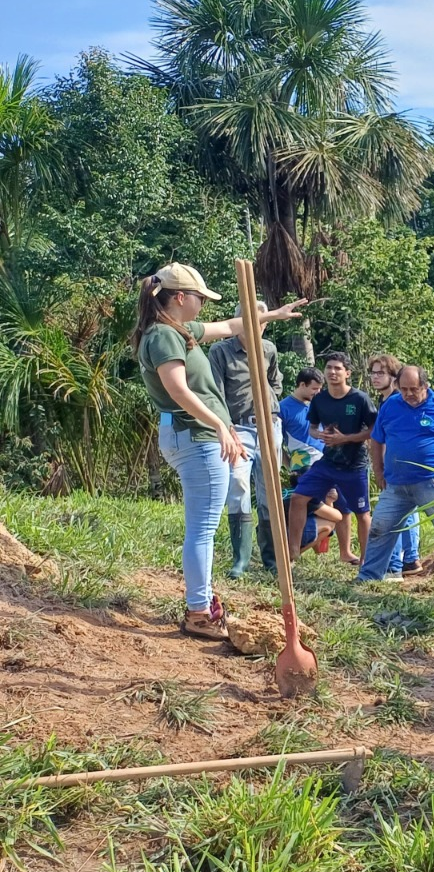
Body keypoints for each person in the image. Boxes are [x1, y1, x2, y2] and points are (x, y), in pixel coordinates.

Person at [133, 263, 303, 639]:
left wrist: (271, 315)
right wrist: (219, 425)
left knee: (203, 526)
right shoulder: (163, 336)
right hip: (194, 437)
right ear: (179, 298)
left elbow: (228, 327)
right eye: (199, 298)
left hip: (192, 435)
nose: (202, 305)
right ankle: (199, 612)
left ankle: (202, 600)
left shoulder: (178, 330)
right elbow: (179, 391)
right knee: (203, 529)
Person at [357, 366, 434, 602]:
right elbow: (377, 440)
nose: (409, 393)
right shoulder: (390, 405)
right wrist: (378, 470)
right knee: (380, 527)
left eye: (414, 389)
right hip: (396, 484)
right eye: (404, 389)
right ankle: (369, 577)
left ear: (426, 386)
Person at [208, 300, 283, 578]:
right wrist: (225, 428)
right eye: (254, 323)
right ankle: (241, 560)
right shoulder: (221, 351)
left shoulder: (268, 349)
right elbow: (215, 392)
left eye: (263, 324)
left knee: (270, 491)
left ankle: (272, 559)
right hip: (237, 427)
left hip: (269, 425)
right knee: (238, 484)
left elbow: (275, 381)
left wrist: (272, 406)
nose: (259, 328)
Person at [287, 353, 376, 563]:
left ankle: (367, 563)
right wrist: (319, 435)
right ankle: (291, 553)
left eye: (337, 368)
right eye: (329, 368)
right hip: (327, 462)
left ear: (347, 373)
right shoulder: (320, 399)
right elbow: (312, 428)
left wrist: (345, 438)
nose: (332, 372)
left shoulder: (360, 399)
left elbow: (374, 430)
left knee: (361, 513)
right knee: (298, 498)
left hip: (354, 464)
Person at [368, 353, 421, 577]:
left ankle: (399, 562)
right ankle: (410, 558)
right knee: (406, 511)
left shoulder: (399, 401)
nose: (375, 377)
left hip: (403, 467)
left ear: (394, 377)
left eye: (381, 373)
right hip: (393, 466)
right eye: (373, 372)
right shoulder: (386, 402)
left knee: (398, 513)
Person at [280, 368, 325, 452]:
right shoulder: (282, 409)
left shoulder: (320, 403)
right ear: (302, 385)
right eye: (314, 389)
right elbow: (275, 444)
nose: (318, 392)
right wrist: (288, 464)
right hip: (304, 461)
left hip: (329, 459)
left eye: (319, 389)